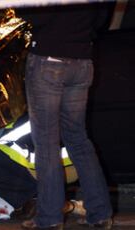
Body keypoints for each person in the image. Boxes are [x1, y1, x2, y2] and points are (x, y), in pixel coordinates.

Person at [19, 3, 113, 230]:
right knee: (78, 139)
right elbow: (101, 20)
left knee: (47, 142)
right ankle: (100, 213)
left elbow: (34, 15)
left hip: (49, 59)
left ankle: (50, 219)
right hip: (82, 61)